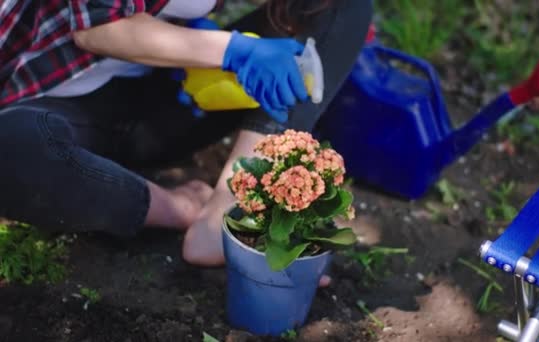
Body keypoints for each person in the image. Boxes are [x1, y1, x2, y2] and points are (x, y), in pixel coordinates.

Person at [0, 0, 372, 269]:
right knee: (11, 149)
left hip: (158, 102)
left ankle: (236, 206)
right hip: (45, 106)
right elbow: (98, 28)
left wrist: (190, 42)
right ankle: (180, 209)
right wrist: (231, 50)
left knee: (338, 7)